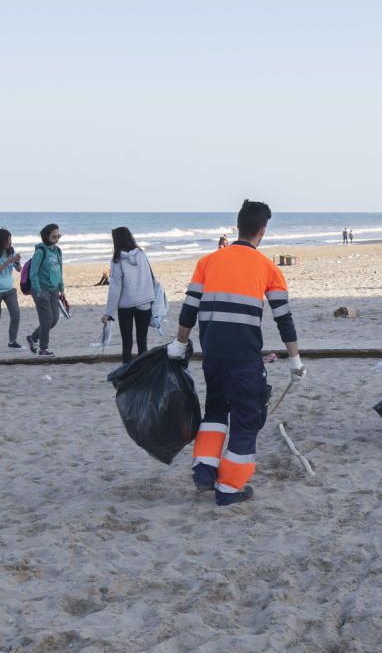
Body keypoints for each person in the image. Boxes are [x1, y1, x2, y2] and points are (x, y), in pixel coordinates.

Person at [168, 200, 305, 506]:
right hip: (244, 358)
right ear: (262, 231)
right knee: (246, 419)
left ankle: (204, 472)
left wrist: (179, 345)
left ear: (238, 226)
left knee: (216, 411)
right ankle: (230, 488)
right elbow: (283, 318)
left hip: (212, 355)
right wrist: (295, 361)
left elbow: (189, 309)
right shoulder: (268, 268)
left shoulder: (208, 261)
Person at [101, 227, 156, 364]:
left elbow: (115, 289)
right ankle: (143, 372)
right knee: (142, 342)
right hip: (144, 303)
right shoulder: (142, 254)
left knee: (127, 343)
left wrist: (108, 313)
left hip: (126, 305)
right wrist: (152, 299)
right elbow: (150, 277)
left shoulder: (117, 260)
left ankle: (127, 373)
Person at [26, 224, 67, 357]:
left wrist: (61, 289)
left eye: (58, 236)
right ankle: (43, 349)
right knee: (46, 319)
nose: (57, 238)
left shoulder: (57, 251)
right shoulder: (40, 252)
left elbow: (59, 271)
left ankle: (33, 338)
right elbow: (33, 273)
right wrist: (38, 290)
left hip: (54, 289)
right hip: (41, 289)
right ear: (46, 237)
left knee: (54, 319)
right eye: (54, 236)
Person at [0, 229, 23, 349]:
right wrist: (7, 261)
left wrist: (17, 262)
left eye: (10, 240)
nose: (9, 242)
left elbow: (19, 269)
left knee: (16, 314)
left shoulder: (11, 251)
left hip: (9, 290)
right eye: (7, 240)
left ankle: (12, 342)